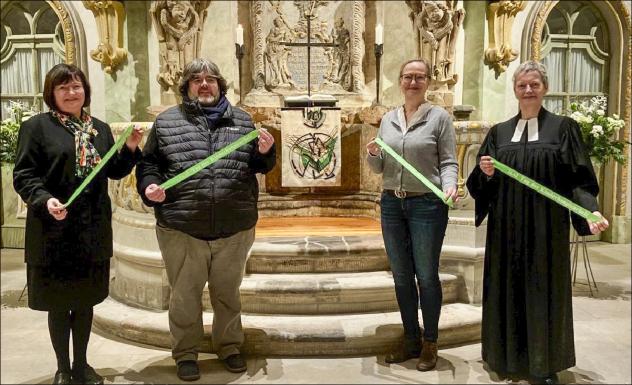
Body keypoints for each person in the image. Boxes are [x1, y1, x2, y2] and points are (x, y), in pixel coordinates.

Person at [466, 61, 609, 385]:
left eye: (534, 84)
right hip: (505, 230)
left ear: (544, 88)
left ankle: (543, 364)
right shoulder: (499, 133)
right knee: (506, 288)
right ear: (515, 90)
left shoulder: (563, 129)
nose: (528, 90)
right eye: (522, 85)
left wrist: (590, 211)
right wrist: (485, 173)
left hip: (546, 229)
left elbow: (579, 179)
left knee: (542, 291)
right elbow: (478, 184)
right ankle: (506, 359)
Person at [135, 58, 276, 381]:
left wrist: (267, 152)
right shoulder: (167, 122)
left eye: (210, 79)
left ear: (220, 86)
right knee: (184, 296)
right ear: (185, 87)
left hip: (234, 225)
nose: (204, 84)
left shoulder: (242, 121)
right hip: (182, 226)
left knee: (228, 293)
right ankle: (186, 353)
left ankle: (229, 347)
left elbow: (258, 165)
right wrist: (148, 187)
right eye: (196, 79)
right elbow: (149, 165)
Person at [12, 63, 143, 385]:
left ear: (85, 90)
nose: (72, 93)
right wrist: (44, 200)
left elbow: (113, 171)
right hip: (53, 229)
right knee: (59, 304)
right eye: (63, 87)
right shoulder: (37, 128)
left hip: (91, 228)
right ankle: (63, 369)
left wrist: (129, 149)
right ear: (51, 93)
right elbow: (24, 174)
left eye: (76, 86)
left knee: (84, 303)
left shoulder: (98, 128)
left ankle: (83, 365)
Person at [366, 58, 458, 371]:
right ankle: (410, 338)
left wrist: (449, 186)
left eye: (419, 77)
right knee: (402, 276)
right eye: (408, 76)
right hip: (392, 203)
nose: (413, 82)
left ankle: (430, 341)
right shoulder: (388, 119)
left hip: (427, 205)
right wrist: (372, 155)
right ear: (400, 81)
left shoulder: (439, 118)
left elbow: (448, 162)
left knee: (427, 275)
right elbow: (380, 168)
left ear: (428, 82)